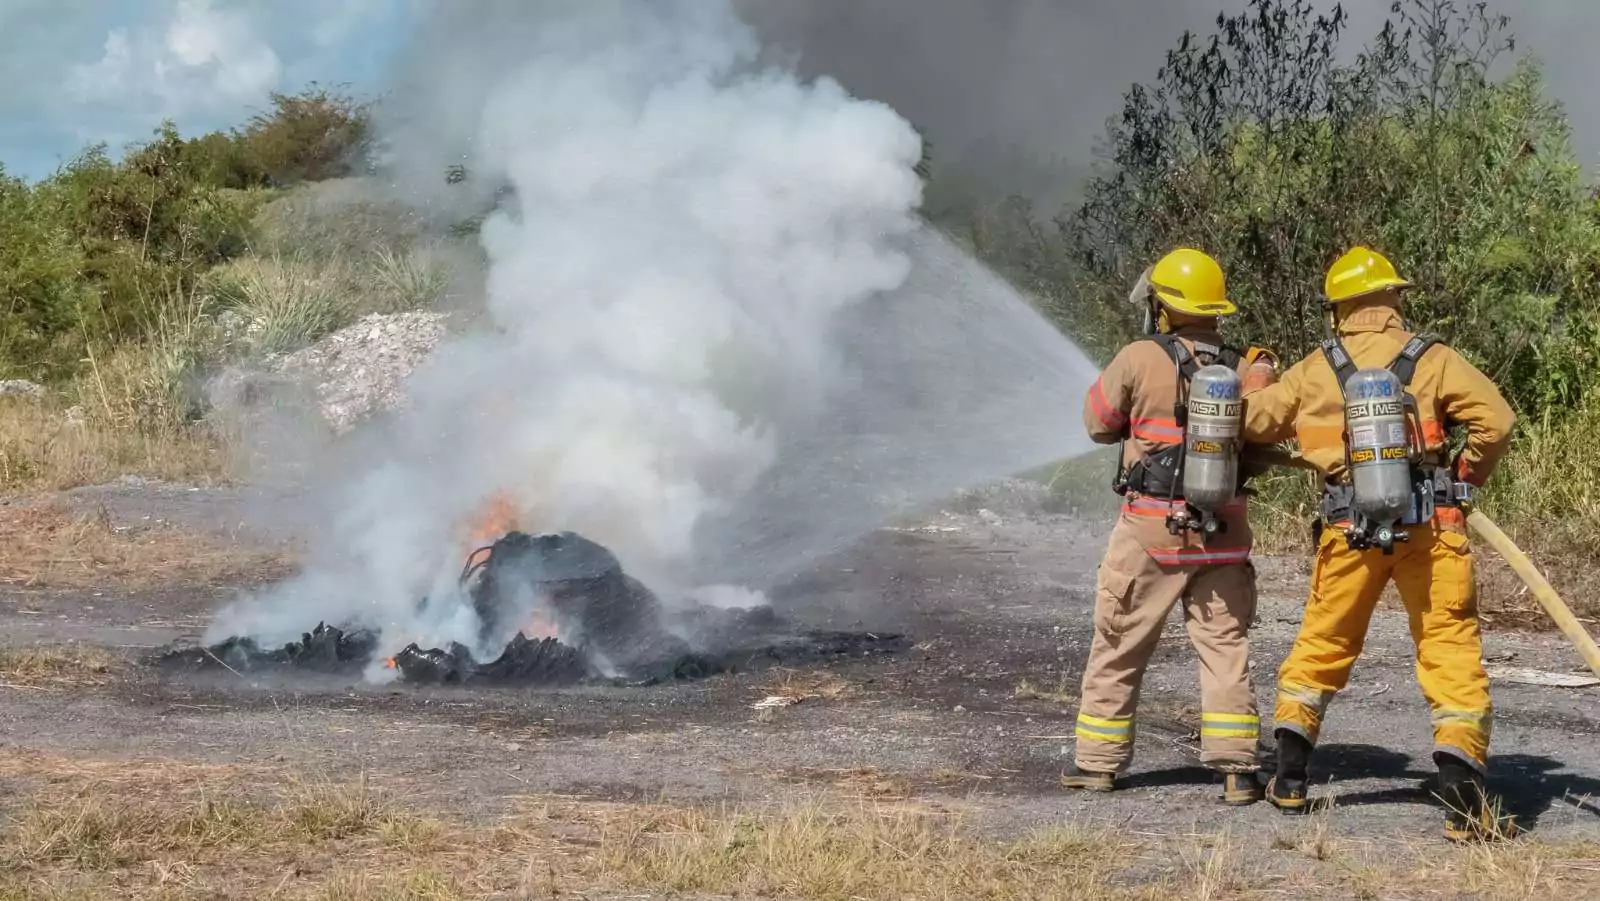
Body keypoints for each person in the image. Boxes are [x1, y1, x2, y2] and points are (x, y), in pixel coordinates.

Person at [1241, 247, 1515, 840]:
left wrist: (1254, 376)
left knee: (1323, 641)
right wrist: (1462, 479)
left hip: (1348, 529)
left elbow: (1253, 423)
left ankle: (1288, 780)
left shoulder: (1317, 366)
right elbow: (1497, 420)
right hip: (1434, 529)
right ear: (1394, 298)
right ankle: (1463, 793)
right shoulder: (1435, 358)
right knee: (1448, 647)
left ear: (1338, 307)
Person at [1063, 248, 1279, 805]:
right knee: (1225, 647)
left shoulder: (1138, 356)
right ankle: (1237, 771)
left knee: (1119, 641)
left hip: (1152, 532)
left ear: (1163, 306)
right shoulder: (1238, 367)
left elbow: (1097, 424)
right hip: (1223, 535)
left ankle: (1098, 765)